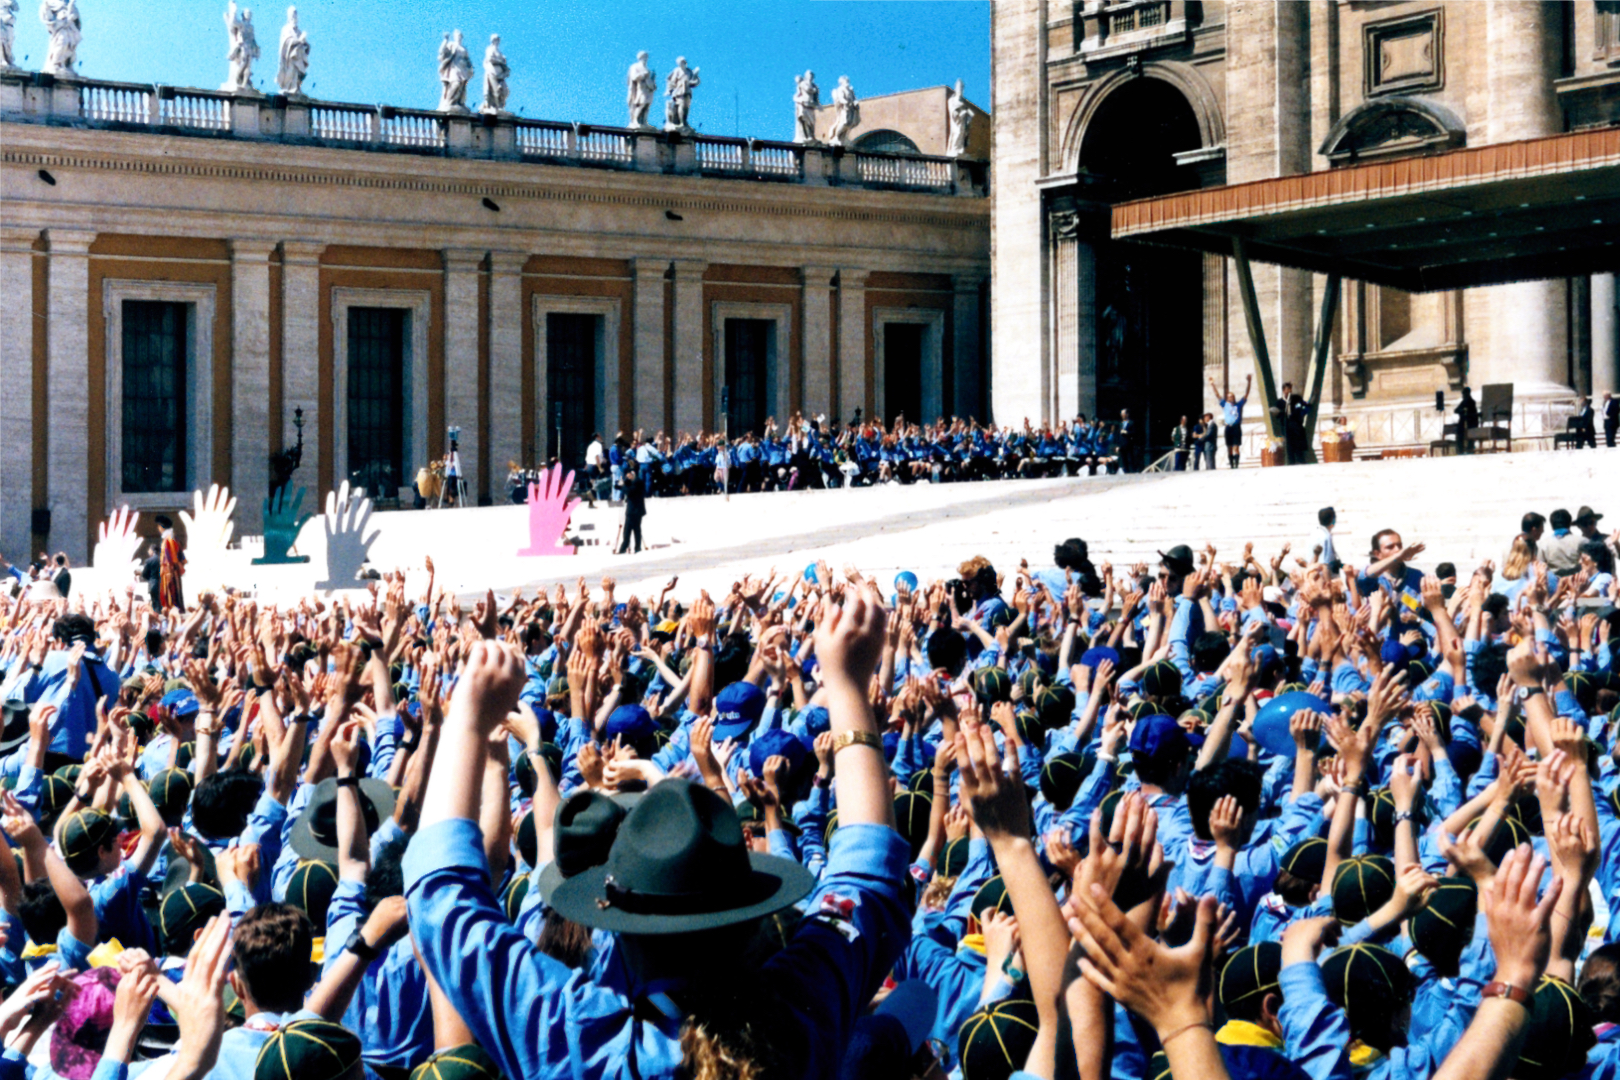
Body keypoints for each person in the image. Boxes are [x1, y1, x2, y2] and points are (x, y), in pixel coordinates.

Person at [1211, 374, 1252, 469]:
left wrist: (1249, 382)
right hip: (1228, 427)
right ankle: (1231, 465)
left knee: (1236, 447)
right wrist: (1212, 384)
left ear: (1234, 397)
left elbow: (1246, 394)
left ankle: (1236, 465)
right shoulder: (1225, 404)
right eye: (1229, 397)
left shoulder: (1238, 405)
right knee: (1229, 447)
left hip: (1236, 427)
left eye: (1232, 396)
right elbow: (1217, 395)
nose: (1230, 398)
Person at [154, 514, 185, 611]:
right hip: (166, 570)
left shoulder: (169, 539)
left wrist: (174, 566)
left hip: (169, 570)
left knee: (170, 591)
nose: (158, 528)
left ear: (162, 527)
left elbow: (173, 556)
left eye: (159, 526)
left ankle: (172, 608)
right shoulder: (168, 538)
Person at [1273, 382, 1308, 465]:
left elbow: (1305, 407)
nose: (1289, 391)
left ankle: (1301, 461)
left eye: (1290, 389)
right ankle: (1291, 462)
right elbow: (1277, 416)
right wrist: (1280, 413)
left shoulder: (1296, 399)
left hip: (1296, 427)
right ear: (1283, 391)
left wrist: (1301, 414)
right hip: (1286, 428)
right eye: (1287, 390)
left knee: (1298, 447)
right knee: (1289, 447)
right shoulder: (1279, 402)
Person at [617, 462, 646, 554]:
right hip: (633, 510)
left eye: (628, 474)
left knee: (631, 530)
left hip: (635, 510)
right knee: (631, 530)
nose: (627, 476)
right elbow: (620, 486)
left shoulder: (638, 482)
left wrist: (623, 486)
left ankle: (630, 548)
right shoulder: (632, 482)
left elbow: (630, 492)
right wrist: (621, 484)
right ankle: (633, 547)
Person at [1310, 507, 1340, 574]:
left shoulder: (1316, 533)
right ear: (1332, 519)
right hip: (1323, 573)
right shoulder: (1324, 536)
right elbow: (1324, 561)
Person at [1454, 386, 1479, 455]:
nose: (1463, 395)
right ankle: (1461, 449)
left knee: (1470, 435)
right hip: (1463, 421)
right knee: (1460, 434)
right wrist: (1462, 411)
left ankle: (1469, 449)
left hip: (1470, 422)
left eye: (1464, 394)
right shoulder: (1464, 402)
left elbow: (1473, 413)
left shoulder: (1471, 402)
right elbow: (1456, 410)